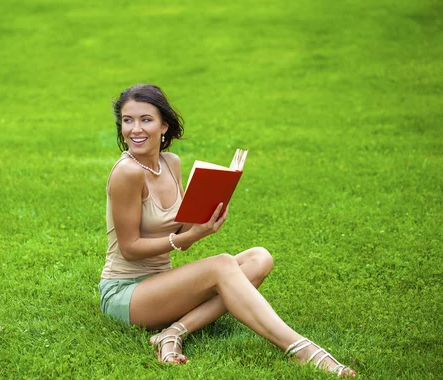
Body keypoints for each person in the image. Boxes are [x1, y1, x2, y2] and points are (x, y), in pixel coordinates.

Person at [99, 84, 356, 377]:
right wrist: (192, 235)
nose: (135, 129)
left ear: (164, 125)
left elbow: (181, 231)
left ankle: (172, 333)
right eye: (128, 120)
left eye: (146, 119)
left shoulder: (171, 163)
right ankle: (302, 349)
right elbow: (130, 249)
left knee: (260, 258)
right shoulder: (127, 173)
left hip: (161, 283)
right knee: (222, 265)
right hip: (126, 294)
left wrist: (214, 200)